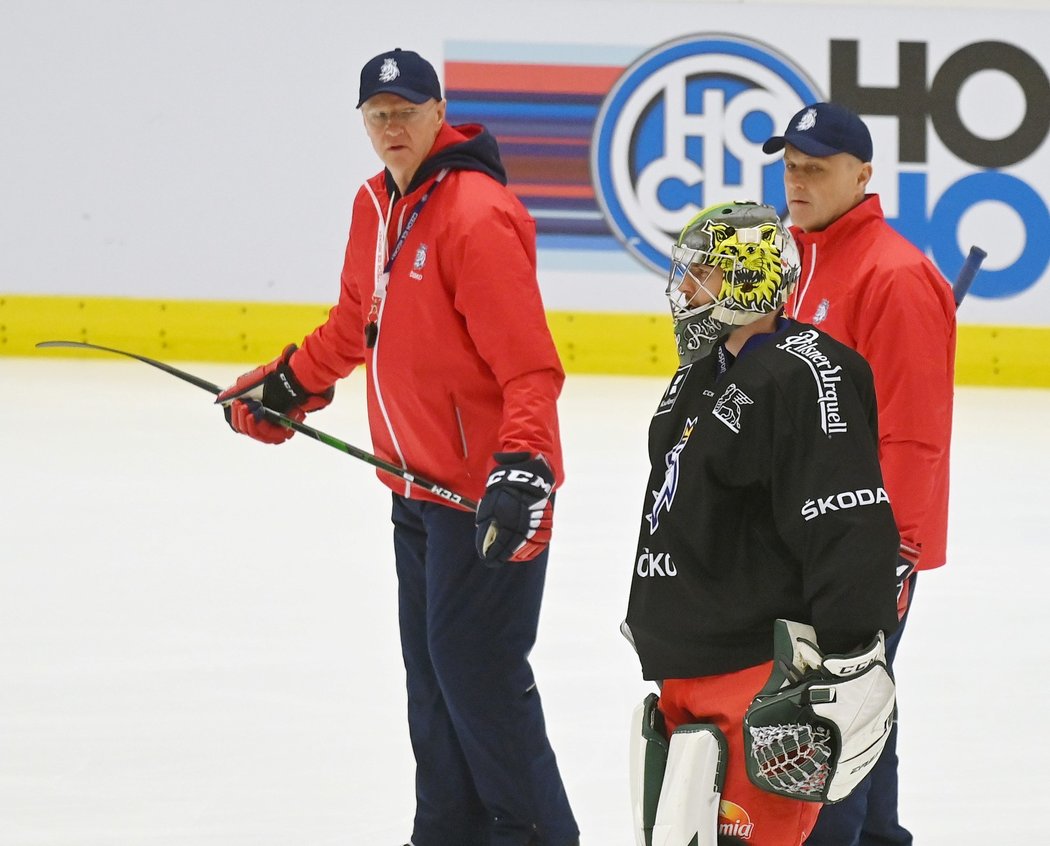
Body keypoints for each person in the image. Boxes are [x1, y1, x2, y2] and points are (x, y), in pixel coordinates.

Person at [215, 48, 579, 846]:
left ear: (438, 111)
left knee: (477, 678)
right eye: (376, 116)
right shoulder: (376, 204)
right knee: (433, 684)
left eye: (406, 112)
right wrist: (286, 386)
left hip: (483, 501)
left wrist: (523, 471)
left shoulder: (477, 216)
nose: (390, 128)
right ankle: (447, 831)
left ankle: (538, 834)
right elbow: (355, 325)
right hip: (412, 491)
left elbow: (530, 367)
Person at [622, 201, 901, 846]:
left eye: (705, 275)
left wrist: (854, 651)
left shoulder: (807, 372)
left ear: (750, 278)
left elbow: (845, 514)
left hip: (756, 675)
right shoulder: (700, 376)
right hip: (685, 662)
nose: (686, 290)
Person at [763, 101, 957, 846]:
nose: (799, 179)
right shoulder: (797, 261)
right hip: (802, 543)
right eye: (791, 165)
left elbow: (914, 436)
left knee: (830, 737)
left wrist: (895, 554)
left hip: (858, 552)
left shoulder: (896, 278)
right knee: (861, 716)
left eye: (816, 167)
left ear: (863, 175)